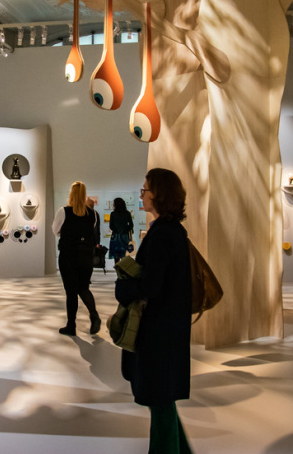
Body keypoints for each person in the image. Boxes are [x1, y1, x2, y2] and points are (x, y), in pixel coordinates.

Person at [115, 168, 192, 453]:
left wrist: (123, 289)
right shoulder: (171, 231)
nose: (142, 194)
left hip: (159, 330)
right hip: (167, 327)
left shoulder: (162, 235)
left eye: (145, 189)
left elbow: (151, 286)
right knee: (162, 399)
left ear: (158, 194)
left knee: (159, 400)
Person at [52, 182, 101, 336]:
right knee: (84, 288)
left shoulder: (64, 211)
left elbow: (55, 230)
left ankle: (71, 325)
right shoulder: (92, 214)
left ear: (71, 194)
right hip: (86, 256)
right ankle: (94, 315)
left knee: (71, 291)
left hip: (68, 256)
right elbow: (91, 231)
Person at [108, 197, 134, 264]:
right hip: (124, 236)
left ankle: (118, 272)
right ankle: (123, 272)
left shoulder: (113, 214)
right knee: (123, 254)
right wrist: (125, 229)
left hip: (115, 237)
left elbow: (111, 226)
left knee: (116, 257)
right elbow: (131, 225)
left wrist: (117, 230)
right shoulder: (127, 213)